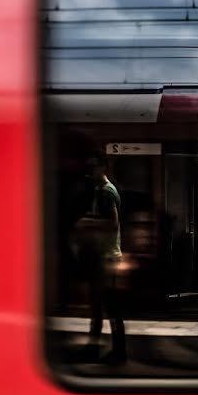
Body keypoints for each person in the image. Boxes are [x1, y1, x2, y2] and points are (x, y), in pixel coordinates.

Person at [72, 151, 126, 364]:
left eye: (94, 166)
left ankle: (117, 352)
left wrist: (87, 224)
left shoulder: (106, 191)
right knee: (98, 305)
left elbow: (112, 224)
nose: (90, 170)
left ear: (103, 167)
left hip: (107, 258)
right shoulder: (99, 190)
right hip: (103, 257)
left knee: (107, 307)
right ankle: (96, 348)